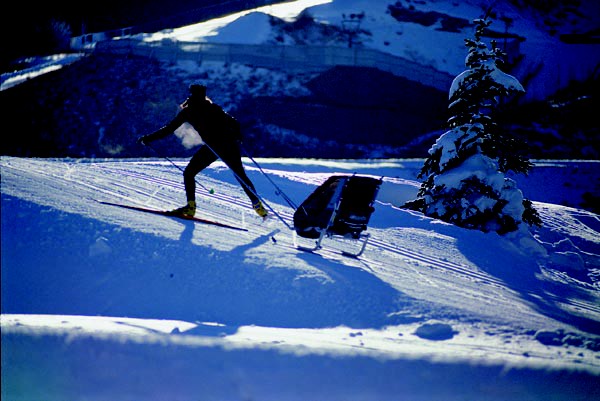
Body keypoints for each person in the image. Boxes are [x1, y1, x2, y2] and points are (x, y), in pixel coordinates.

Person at [138, 84, 268, 219]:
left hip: (213, 147)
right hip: (230, 144)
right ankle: (258, 206)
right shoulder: (214, 108)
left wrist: (148, 138)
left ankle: (190, 207)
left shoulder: (188, 111)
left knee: (189, 173)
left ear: (191, 95)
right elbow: (234, 123)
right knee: (240, 175)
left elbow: (169, 129)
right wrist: (237, 137)